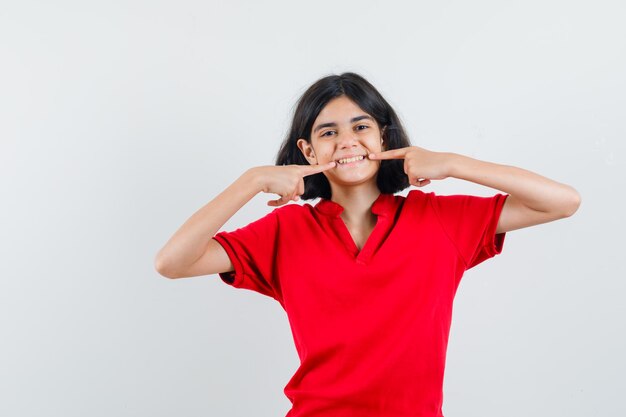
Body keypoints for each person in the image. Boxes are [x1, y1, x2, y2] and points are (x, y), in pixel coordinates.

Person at [154, 72, 581, 417]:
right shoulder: (284, 231)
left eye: (361, 126)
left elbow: (563, 202)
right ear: (307, 150)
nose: (347, 141)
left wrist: (453, 164)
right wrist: (251, 181)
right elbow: (172, 262)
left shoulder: (439, 219)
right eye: (328, 132)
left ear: (383, 138)